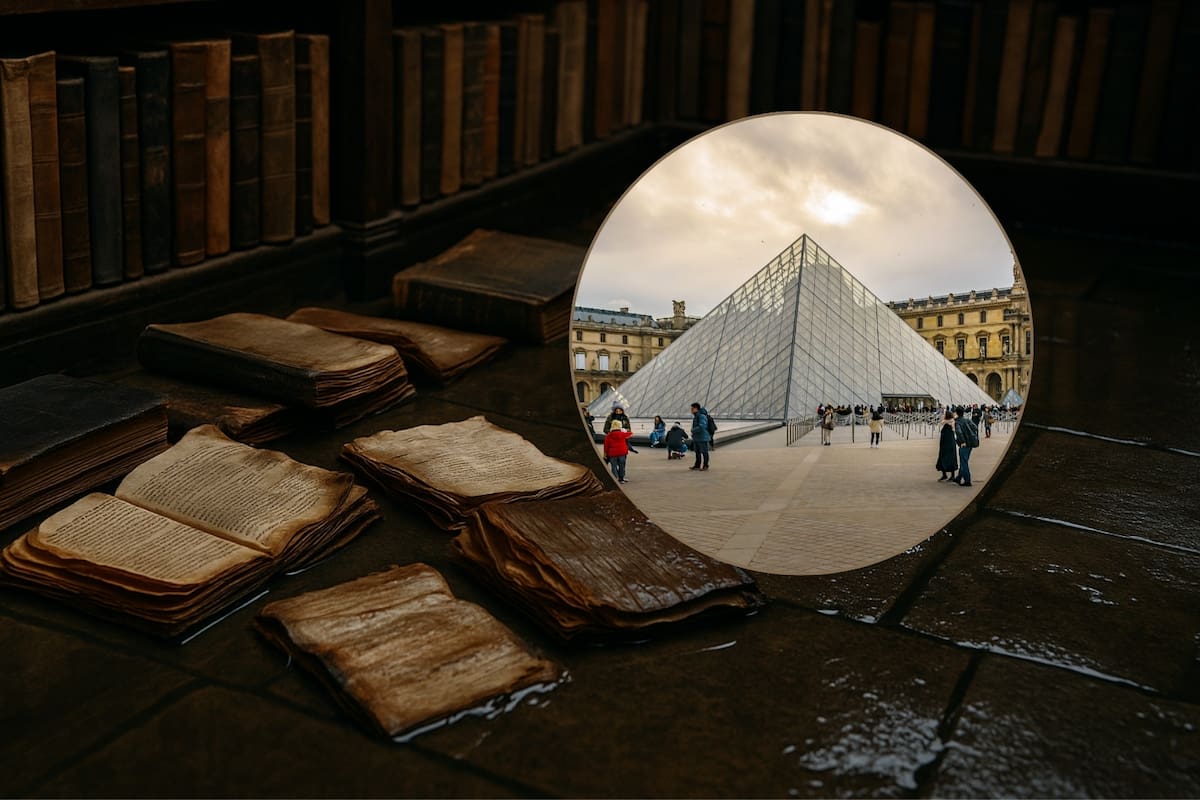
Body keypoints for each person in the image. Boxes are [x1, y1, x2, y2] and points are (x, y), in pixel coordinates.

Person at [603, 419, 634, 484]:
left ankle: (615, 478)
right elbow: (631, 434)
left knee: (613, 466)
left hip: (612, 453)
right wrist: (624, 430)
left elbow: (606, 446)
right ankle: (621, 479)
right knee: (622, 466)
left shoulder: (608, 436)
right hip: (622, 452)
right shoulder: (623, 434)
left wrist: (605, 454)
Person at [953, 406, 978, 487]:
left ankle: (967, 481)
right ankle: (959, 478)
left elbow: (959, 432)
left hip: (964, 444)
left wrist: (963, 441)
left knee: (964, 462)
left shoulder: (957, 422)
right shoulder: (967, 420)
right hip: (970, 443)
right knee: (964, 460)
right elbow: (975, 427)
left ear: (956, 413)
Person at [689, 402, 712, 471]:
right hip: (697, 438)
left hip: (702, 437)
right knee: (697, 452)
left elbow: (702, 426)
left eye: (692, 409)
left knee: (704, 452)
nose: (691, 410)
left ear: (696, 408)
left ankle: (705, 465)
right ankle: (697, 465)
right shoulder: (696, 416)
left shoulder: (701, 416)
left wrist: (693, 430)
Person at [936, 409, 958, 482]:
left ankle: (951, 475)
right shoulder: (947, 422)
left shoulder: (951, 422)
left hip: (949, 443)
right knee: (944, 458)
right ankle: (946, 475)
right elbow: (942, 422)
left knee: (950, 458)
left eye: (945, 414)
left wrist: (947, 420)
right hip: (945, 443)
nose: (943, 415)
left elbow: (953, 427)